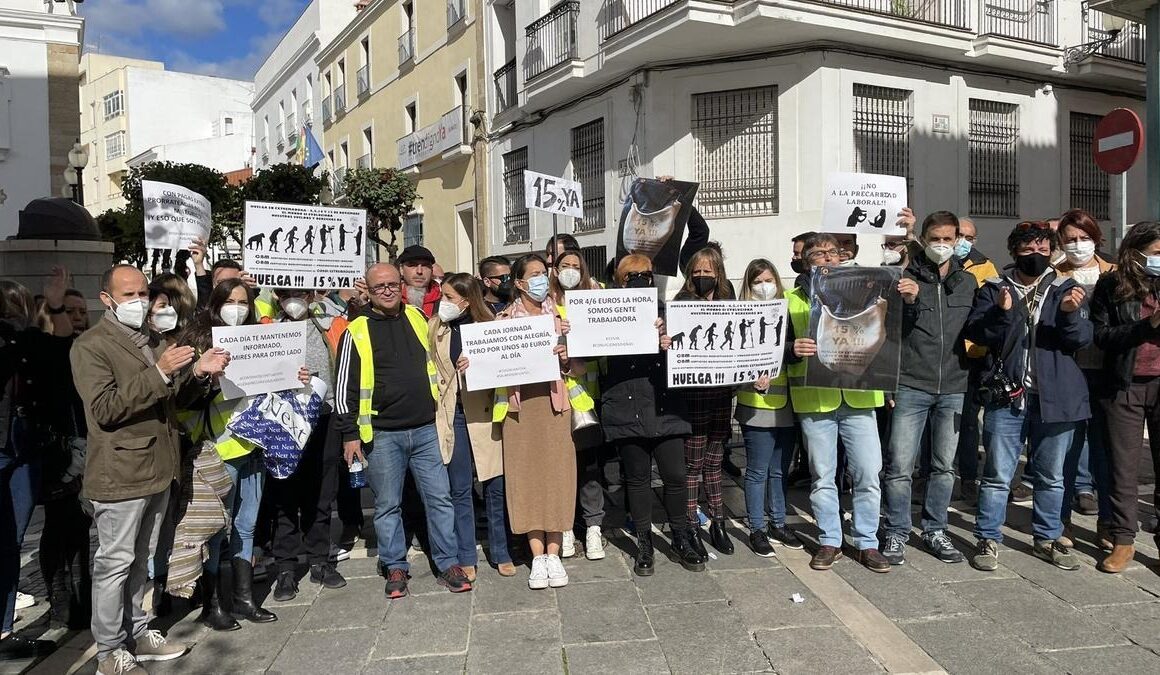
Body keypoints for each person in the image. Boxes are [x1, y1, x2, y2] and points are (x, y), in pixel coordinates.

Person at [73, 264, 228, 673]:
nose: (139, 301)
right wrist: (160, 372)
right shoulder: (91, 346)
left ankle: (138, 631)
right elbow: (106, 408)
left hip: (160, 467)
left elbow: (173, 397)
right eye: (128, 295)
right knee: (115, 563)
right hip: (120, 472)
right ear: (107, 299)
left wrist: (198, 372)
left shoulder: (153, 338)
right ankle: (109, 651)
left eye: (142, 292)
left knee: (142, 560)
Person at [335, 263, 471, 599]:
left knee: (440, 499)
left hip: (425, 428)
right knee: (387, 505)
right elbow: (344, 390)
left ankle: (448, 563)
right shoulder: (357, 330)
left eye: (392, 284)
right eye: (379, 286)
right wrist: (349, 434)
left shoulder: (416, 317)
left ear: (402, 285)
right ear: (368, 290)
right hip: (382, 435)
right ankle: (395, 565)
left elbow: (437, 360)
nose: (387, 290)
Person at [963, 221, 1092, 572]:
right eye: (1027, 249)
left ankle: (1047, 538)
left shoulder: (1067, 287)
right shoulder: (993, 287)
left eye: (1042, 249)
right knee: (997, 474)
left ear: (1052, 251)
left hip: (1058, 397)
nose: (1035, 255)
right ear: (1014, 251)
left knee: (1051, 476)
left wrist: (1068, 315)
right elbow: (977, 332)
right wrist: (1001, 314)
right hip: (1007, 396)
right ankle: (988, 538)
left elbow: (1080, 339)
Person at [177, 279, 293, 631]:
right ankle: (213, 605)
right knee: (216, 529)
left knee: (246, 525)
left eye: (243, 301)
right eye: (230, 300)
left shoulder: (261, 336)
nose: (237, 307)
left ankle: (244, 599)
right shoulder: (198, 341)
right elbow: (180, 398)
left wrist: (293, 376)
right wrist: (206, 381)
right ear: (215, 303)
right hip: (217, 450)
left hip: (254, 446)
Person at [788, 234, 890, 573]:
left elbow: (890, 329)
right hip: (816, 400)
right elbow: (774, 345)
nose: (829, 258)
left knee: (867, 471)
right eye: (820, 253)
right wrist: (792, 348)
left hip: (860, 395)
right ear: (807, 261)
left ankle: (866, 542)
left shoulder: (868, 291)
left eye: (834, 252)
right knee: (822, 475)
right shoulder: (791, 300)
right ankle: (830, 539)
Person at [881, 212, 975, 566]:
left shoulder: (966, 282)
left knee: (943, 466)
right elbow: (891, 333)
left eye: (948, 239)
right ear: (924, 238)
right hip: (910, 385)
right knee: (900, 465)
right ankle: (896, 531)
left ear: (957, 241)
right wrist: (910, 302)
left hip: (953, 385)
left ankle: (936, 528)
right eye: (934, 238)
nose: (942, 245)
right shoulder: (903, 279)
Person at [600, 254, 705, 575]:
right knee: (638, 478)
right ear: (619, 281)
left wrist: (671, 340)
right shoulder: (604, 314)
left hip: (666, 405)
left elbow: (693, 349)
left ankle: (681, 535)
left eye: (647, 274)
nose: (642, 279)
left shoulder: (671, 312)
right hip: (626, 405)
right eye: (632, 276)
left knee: (676, 476)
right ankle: (644, 541)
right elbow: (591, 351)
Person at [489, 254, 580, 589]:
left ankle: (554, 553)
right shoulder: (501, 323)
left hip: (555, 407)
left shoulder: (561, 317)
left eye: (545, 273)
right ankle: (536, 556)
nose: (543, 279)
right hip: (520, 412)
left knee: (557, 476)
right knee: (526, 478)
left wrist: (568, 356)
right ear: (519, 282)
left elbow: (580, 368)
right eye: (535, 274)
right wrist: (471, 362)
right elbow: (490, 368)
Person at [1, 270, 74, 658]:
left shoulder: (30, 340)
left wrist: (56, 302)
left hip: (25, 443)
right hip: (6, 444)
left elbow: (62, 343)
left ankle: (5, 627)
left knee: (11, 539)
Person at [429, 274, 513, 580]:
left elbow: (505, 366)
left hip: (486, 413)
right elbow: (431, 366)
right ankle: (466, 554)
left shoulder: (488, 327)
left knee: (494, 485)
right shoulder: (436, 326)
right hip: (453, 415)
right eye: (443, 295)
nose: (444, 302)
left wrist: (479, 362)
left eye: (450, 297)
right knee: (459, 488)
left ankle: (501, 551)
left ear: (467, 300)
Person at [267, 289, 346, 603]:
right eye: (287, 293)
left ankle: (319, 559)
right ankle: (286, 567)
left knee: (322, 493)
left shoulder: (329, 324)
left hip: (324, 418)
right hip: (283, 420)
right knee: (285, 494)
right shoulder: (267, 329)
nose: (294, 298)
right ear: (277, 295)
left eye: (300, 291)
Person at [1090, 221, 1160, 573]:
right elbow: (1101, 336)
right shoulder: (1111, 285)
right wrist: (1147, 326)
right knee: (1123, 468)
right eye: (1158, 253)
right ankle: (1123, 540)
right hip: (1124, 384)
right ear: (1137, 250)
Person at [1054, 209, 1115, 545]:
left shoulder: (1116, 273)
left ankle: (1108, 523)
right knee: (1065, 452)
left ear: (1096, 238)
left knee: (1106, 453)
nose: (1078, 245)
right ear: (1061, 243)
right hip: (1069, 374)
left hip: (1107, 374)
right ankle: (1059, 519)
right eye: (1071, 240)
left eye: (1084, 238)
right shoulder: (1055, 276)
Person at [735, 259, 802, 557]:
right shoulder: (739, 315)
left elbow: (793, 350)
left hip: (786, 404)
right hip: (755, 405)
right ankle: (757, 528)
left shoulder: (785, 310)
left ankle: (778, 522)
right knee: (758, 471)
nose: (764, 286)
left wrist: (794, 351)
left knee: (779, 470)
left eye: (768, 279)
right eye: (757, 281)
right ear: (749, 287)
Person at [675, 247, 736, 556]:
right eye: (696, 272)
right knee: (692, 464)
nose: (701, 277)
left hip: (723, 394)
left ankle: (718, 521)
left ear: (718, 273)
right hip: (694, 395)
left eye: (707, 272)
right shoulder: (682, 303)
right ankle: (690, 524)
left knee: (714, 462)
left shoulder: (729, 300)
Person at [549, 249, 605, 560]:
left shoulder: (593, 301)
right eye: (564, 265)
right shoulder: (544, 307)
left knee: (590, 466)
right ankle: (566, 527)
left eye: (575, 266)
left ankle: (593, 526)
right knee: (562, 466)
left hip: (588, 397)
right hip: (555, 400)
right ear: (554, 270)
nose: (570, 270)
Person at [953, 217, 1001, 504]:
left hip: (973, 356)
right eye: (959, 235)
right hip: (943, 354)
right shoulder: (937, 261)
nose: (962, 241)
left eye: (968, 237)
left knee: (968, 422)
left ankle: (969, 477)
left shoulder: (986, 267)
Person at [397, 245, 441, 318]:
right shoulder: (392, 300)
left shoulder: (444, 302)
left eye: (425, 266)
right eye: (412, 265)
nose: (419, 271)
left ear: (431, 270)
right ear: (401, 269)